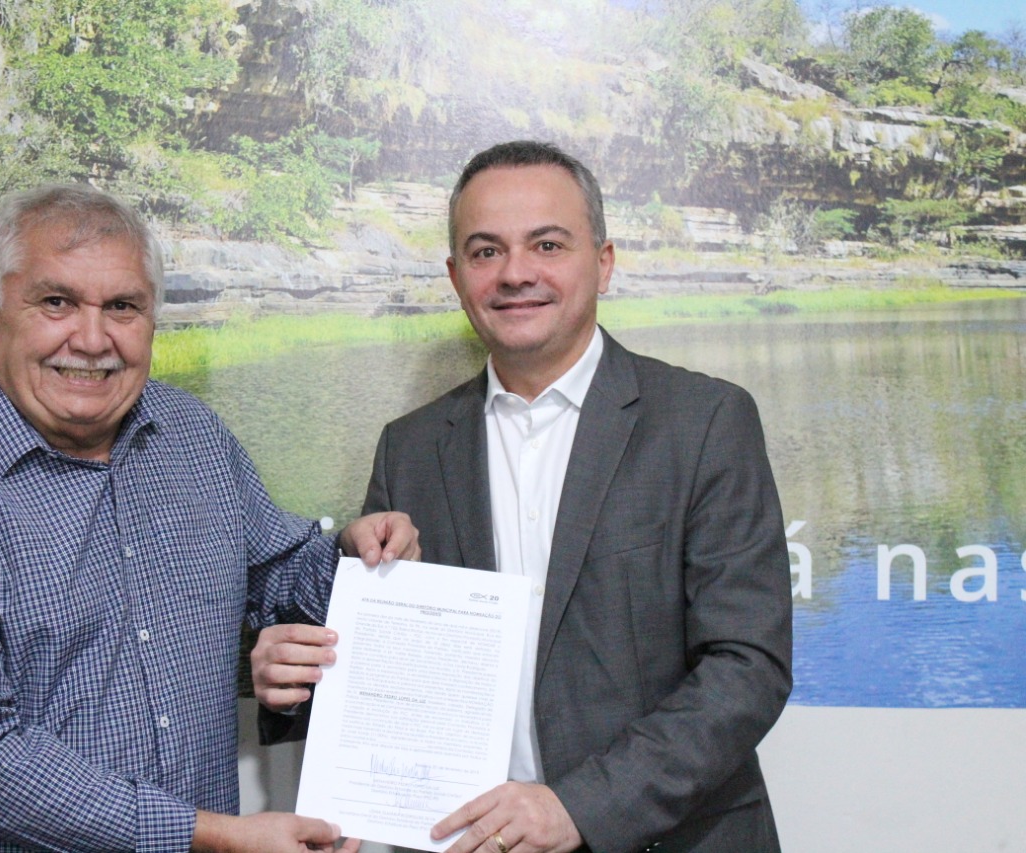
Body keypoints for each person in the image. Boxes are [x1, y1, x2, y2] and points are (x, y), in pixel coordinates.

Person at [251, 141, 793, 853]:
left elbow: (747, 666)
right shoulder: (410, 448)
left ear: (602, 260)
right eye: (485, 251)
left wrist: (580, 808)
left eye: (547, 243)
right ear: (455, 276)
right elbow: (396, 681)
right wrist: (297, 677)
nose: (515, 273)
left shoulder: (705, 421)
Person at [0, 183, 419, 853]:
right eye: (56, 301)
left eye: (122, 306)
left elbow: (279, 571)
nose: (92, 339)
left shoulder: (194, 437)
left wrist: (349, 555)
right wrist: (210, 836)